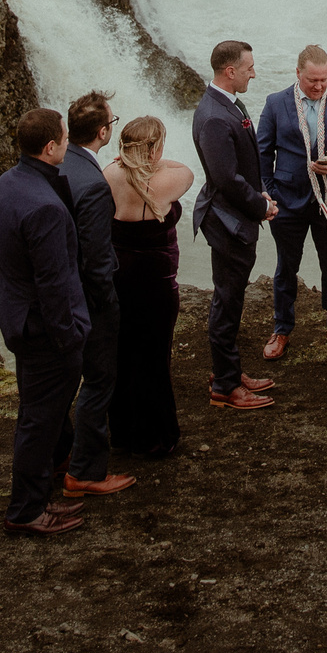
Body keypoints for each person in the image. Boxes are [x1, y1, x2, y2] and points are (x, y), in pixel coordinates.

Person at [0, 107, 91, 536]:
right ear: (50, 147)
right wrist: (69, 337)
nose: (69, 143)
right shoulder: (44, 206)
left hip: (16, 316)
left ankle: (44, 483)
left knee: (38, 412)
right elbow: (54, 283)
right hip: (44, 328)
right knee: (39, 418)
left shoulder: (9, 182)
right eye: (65, 138)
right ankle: (26, 510)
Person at [255, 44, 327, 359]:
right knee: (286, 267)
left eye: (324, 80)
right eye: (312, 80)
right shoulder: (275, 103)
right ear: (297, 73)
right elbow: (262, 152)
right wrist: (270, 191)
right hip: (287, 201)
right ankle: (282, 329)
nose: (318, 87)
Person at [55, 93, 136, 499]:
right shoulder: (93, 184)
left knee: (62, 382)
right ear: (104, 132)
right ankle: (85, 472)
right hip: (88, 301)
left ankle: (60, 457)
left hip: (56, 297)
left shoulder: (57, 166)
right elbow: (97, 259)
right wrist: (109, 305)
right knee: (98, 381)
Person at [190, 38, 277, 411]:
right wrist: (261, 205)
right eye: (249, 68)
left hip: (235, 217)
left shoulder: (225, 104)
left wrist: (260, 196)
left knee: (231, 296)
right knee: (227, 299)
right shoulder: (213, 116)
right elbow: (225, 177)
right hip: (228, 221)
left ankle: (228, 369)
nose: (253, 73)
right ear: (230, 71)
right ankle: (225, 385)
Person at [107, 114, 196, 458]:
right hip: (154, 280)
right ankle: (156, 437)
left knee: (124, 351)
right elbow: (187, 171)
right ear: (156, 148)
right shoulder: (164, 182)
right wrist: (153, 160)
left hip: (120, 273)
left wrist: (131, 159)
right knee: (154, 355)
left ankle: (123, 432)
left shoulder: (109, 174)